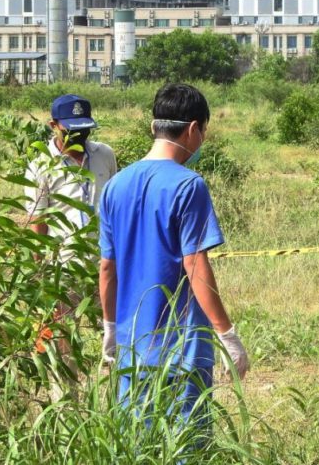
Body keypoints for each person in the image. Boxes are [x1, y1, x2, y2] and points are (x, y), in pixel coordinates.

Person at [98, 83, 249, 422]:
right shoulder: (188, 185)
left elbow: (107, 267)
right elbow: (195, 264)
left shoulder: (114, 186)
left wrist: (110, 327)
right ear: (193, 129)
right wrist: (226, 334)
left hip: (132, 348)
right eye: (204, 130)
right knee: (185, 446)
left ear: (155, 126)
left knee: (138, 446)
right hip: (181, 349)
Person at [25, 94, 117, 383]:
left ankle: (122, 408)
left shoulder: (105, 154)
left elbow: (115, 204)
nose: (79, 137)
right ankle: (67, 412)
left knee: (120, 336)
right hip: (63, 270)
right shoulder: (41, 164)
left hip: (105, 263)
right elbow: (37, 222)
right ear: (54, 126)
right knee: (63, 346)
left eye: (84, 130)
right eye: (71, 131)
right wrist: (40, 272)